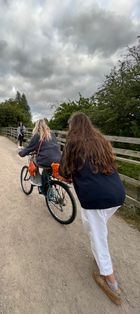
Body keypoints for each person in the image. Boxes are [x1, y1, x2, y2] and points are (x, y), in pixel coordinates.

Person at [61, 112, 125, 305]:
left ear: (72, 126)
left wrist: (68, 175)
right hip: (116, 194)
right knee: (96, 227)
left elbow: (64, 171)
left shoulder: (72, 143)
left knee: (97, 235)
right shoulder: (101, 141)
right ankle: (102, 257)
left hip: (95, 198)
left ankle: (110, 280)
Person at [18, 119, 61, 186]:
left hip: (46, 160)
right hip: (58, 159)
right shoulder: (52, 134)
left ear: (36, 126)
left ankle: (36, 180)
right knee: (48, 169)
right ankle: (49, 183)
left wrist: (21, 153)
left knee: (33, 160)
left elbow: (29, 148)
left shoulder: (37, 135)